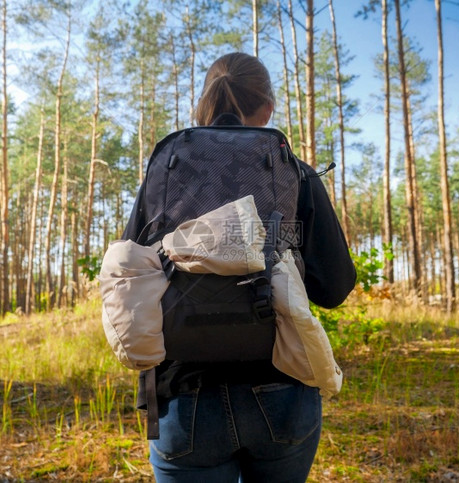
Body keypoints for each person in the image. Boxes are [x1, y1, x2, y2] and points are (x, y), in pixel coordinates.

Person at [122, 52, 355, 483]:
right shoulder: (294, 172)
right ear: (267, 108)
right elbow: (335, 286)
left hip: (184, 394)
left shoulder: (167, 169)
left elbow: (130, 272)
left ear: (205, 101)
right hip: (283, 383)